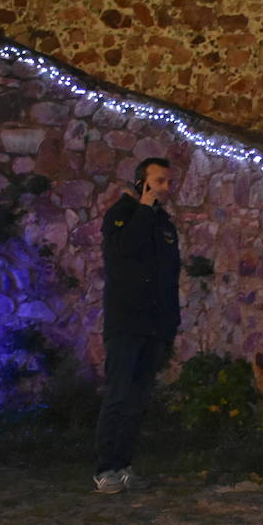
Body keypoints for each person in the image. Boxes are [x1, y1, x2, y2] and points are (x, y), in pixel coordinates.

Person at [92, 156, 182, 494]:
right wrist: (143, 208)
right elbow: (124, 251)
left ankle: (125, 464)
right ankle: (106, 469)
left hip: (154, 324)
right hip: (126, 321)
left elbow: (169, 274)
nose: (165, 188)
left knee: (138, 400)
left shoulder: (164, 223)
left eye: (168, 182)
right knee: (118, 395)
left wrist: (171, 320)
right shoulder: (121, 215)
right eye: (159, 181)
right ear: (141, 182)